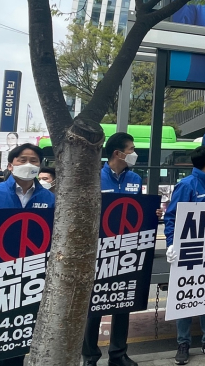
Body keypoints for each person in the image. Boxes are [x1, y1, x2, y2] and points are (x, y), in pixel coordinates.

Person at [0, 144, 54, 366]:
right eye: (22, 159)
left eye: (34, 160)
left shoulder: (49, 199)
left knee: (17, 337)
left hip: (29, 278)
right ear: (10, 165)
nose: (28, 164)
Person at [82, 133, 144, 366]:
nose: (134, 153)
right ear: (118, 153)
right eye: (131, 149)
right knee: (94, 306)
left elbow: (137, 210)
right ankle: (90, 357)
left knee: (122, 303)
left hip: (126, 250)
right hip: (97, 251)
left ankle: (118, 355)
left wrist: (151, 214)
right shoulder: (94, 177)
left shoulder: (136, 179)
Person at [164, 146, 205, 363]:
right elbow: (172, 216)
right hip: (189, 250)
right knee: (186, 295)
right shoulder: (187, 185)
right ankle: (183, 343)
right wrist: (171, 244)